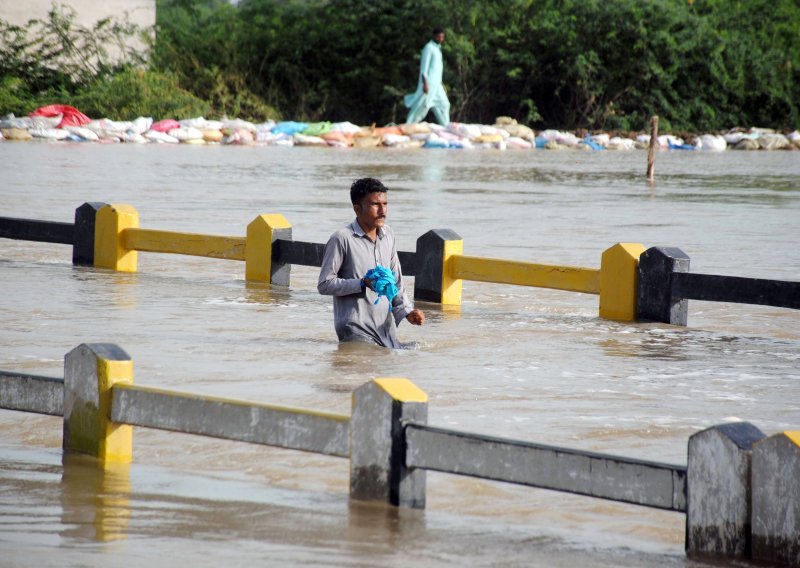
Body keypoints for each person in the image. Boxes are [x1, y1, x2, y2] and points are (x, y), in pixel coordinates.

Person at [318, 178, 425, 348]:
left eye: (385, 204)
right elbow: (324, 284)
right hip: (355, 331)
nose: (382, 211)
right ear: (357, 209)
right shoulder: (342, 238)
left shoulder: (388, 235)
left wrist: (407, 312)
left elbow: (395, 282)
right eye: (375, 204)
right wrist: (361, 283)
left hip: (385, 331)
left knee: (418, 355)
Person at [404, 27, 450, 125]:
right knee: (422, 106)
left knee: (444, 104)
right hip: (428, 83)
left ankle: (446, 127)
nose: (441, 39)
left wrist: (441, 83)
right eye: (439, 37)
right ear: (434, 36)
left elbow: (437, 69)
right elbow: (424, 67)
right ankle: (408, 125)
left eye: (442, 37)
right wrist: (425, 83)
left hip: (437, 84)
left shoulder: (438, 49)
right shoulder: (428, 48)